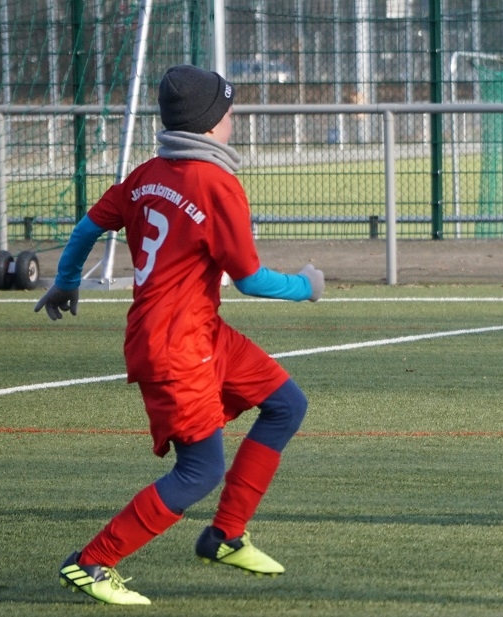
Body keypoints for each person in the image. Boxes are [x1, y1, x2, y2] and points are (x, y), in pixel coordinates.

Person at [35, 64, 325, 605]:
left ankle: (225, 536)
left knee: (287, 404)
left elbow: (88, 226)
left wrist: (68, 280)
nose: (233, 120)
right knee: (199, 470)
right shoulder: (216, 183)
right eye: (230, 111)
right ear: (212, 122)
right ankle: (92, 562)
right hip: (177, 345)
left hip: (199, 331)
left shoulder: (147, 173)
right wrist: (306, 286)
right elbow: (251, 280)